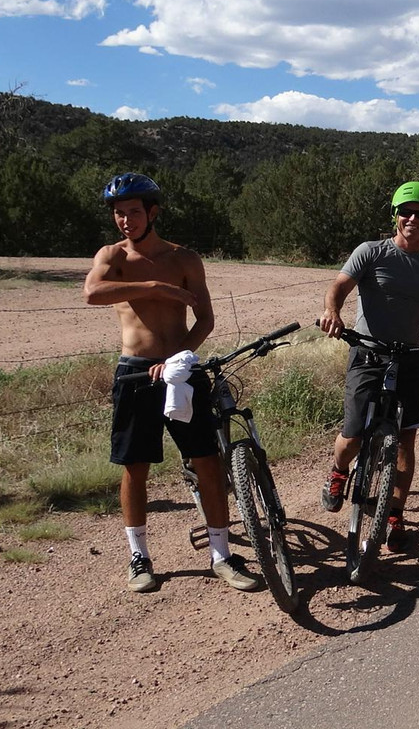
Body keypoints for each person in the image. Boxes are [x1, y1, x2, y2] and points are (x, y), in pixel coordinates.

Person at [84, 172, 259, 594]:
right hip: (135, 371)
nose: (126, 221)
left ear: (153, 213)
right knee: (135, 467)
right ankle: (139, 556)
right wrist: (154, 287)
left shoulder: (184, 258)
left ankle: (222, 554)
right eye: (119, 214)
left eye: (134, 213)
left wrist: (179, 357)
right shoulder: (112, 256)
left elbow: (206, 318)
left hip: (180, 368)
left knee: (206, 460)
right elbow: (92, 292)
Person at [318, 181, 419, 553]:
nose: (412, 218)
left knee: (405, 439)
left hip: (409, 358)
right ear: (395, 215)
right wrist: (332, 312)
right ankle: (339, 472)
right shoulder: (371, 252)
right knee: (354, 433)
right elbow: (340, 285)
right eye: (406, 212)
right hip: (368, 354)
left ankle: (394, 512)